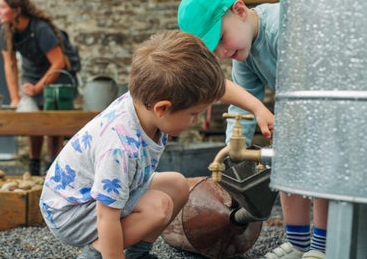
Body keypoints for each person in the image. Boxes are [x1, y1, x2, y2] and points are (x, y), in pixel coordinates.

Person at [39, 29, 273, 259]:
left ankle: (137, 254)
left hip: (96, 195)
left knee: (178, 186)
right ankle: (93, 255)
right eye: (194, 114)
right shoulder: (120, 147)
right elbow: (106, 218)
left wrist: (257, 108)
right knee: (158, 206)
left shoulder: (147, 98)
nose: (196, 120)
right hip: (72, 213)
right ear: (162, 108)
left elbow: (219, 88)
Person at [177, 0, 328, 259]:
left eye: (221, 38)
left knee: (320, 165)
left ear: (240, 10)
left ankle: (322, 245)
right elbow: (242, 107)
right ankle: (299, 243)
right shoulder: (243, 56)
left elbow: (310, 81)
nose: (222, 52)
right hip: (298, 107)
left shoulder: (284, 27)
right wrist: (234, 157)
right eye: (214, 50)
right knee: (282, 158)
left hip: (325, 102)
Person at [0, 0, 76, 176]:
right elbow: (10, 65)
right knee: (34, 120)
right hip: (32, 73)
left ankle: (53, 164)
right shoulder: (6, 30)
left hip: (55, 76)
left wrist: (38, 88)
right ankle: (33, 166)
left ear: (16, 10)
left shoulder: (40, 28)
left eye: (2, 7)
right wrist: (15, 98)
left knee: (52, 121)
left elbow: (58, 63)